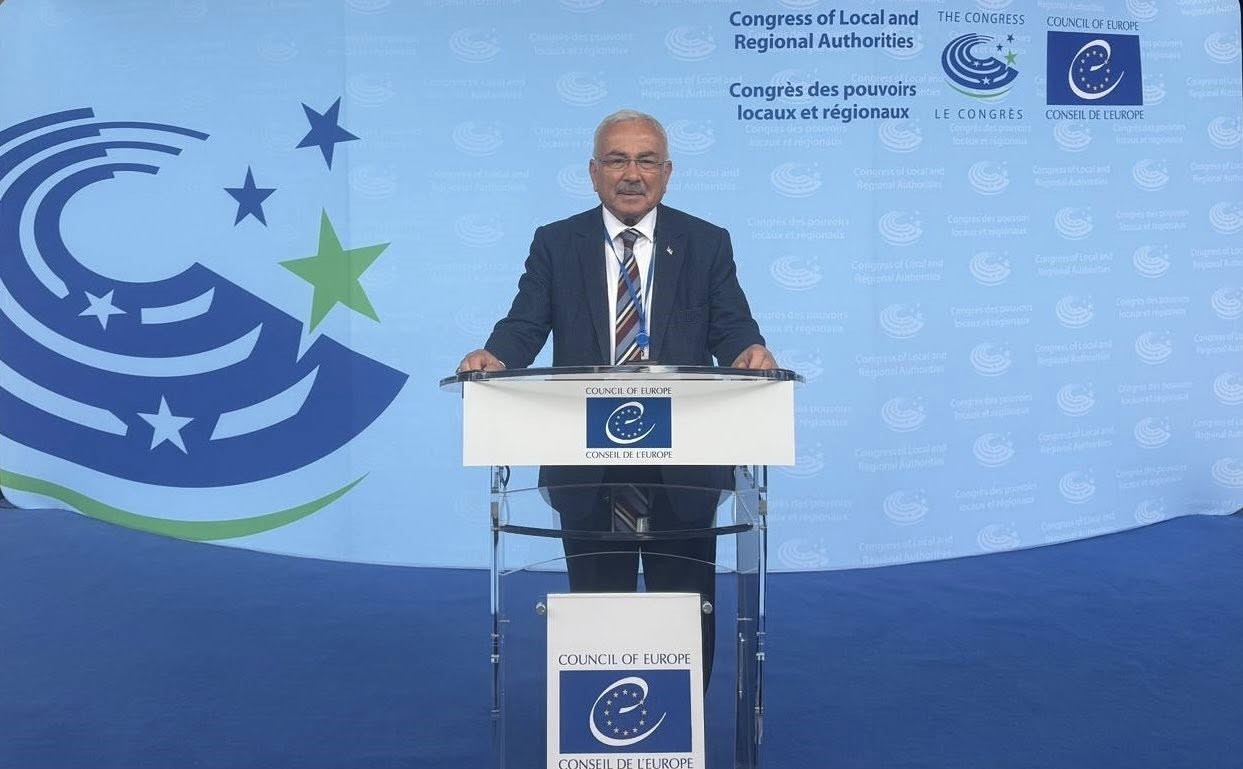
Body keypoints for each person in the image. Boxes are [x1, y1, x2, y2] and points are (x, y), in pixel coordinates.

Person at [457, 109, 777, 681]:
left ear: (667, 173)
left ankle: (682, 725)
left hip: (684, 464)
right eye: (617, 160)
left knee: (685, 613)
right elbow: (525, 324)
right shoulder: (558, 243)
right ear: (593, 172)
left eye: (646, 160)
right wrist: (495, 356)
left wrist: (749, 349)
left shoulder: (706, 243)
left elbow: (731, 326)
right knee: (598, 615)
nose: (632, 173)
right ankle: (602, 719)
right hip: (589, 466)